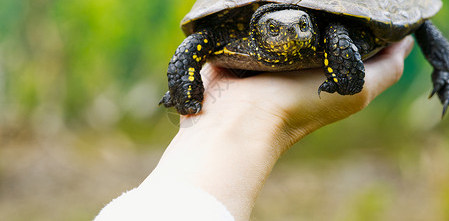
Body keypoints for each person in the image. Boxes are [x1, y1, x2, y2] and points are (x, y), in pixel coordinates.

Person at [94, 36, 414, 221]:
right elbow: (193, 43)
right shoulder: (231, 33)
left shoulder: (330, 33)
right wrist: (185, 89)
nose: (292, 34)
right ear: (259, 28)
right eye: (275, 29)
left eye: (302, 28)